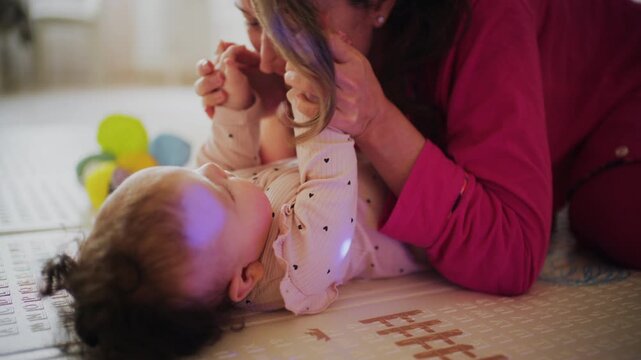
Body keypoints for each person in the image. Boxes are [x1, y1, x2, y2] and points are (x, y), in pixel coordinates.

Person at [39, 2, 423, 357]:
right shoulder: (297, 271)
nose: (214, 170)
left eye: (191, 175)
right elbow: (329, 182)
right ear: (245, 278)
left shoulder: (231, 233)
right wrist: (315, 105)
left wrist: (235, 107)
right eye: (221, 189)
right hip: (415, 217)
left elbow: (225, 158)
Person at [196, 0, 641, 296]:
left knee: (611, 217)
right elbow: (280, 173)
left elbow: (516, 253)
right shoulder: (350, 33)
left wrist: (377, 121)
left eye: (295, 23)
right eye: (254, 20)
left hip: (626, 95)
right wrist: (270, 97)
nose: (270, 59)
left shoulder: (489, 16)